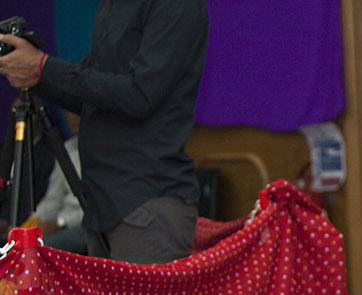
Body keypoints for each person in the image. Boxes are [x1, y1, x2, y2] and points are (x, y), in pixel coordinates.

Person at [0, 2, 207, 264]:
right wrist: (33, 73)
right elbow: (90, 97)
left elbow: (140, 95)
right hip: (101, 204)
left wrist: (42, 67)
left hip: (145, 200)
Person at [32, 111, 85, 253]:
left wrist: (60, 222)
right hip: (61, 221)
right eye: (69, 112)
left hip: (84, 224)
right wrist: (33, 221)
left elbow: (97, 206)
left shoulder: (104, 151)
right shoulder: (66, 148)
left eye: (77, 110)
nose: (73, 117)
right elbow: (54, 197)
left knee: (38, 249)